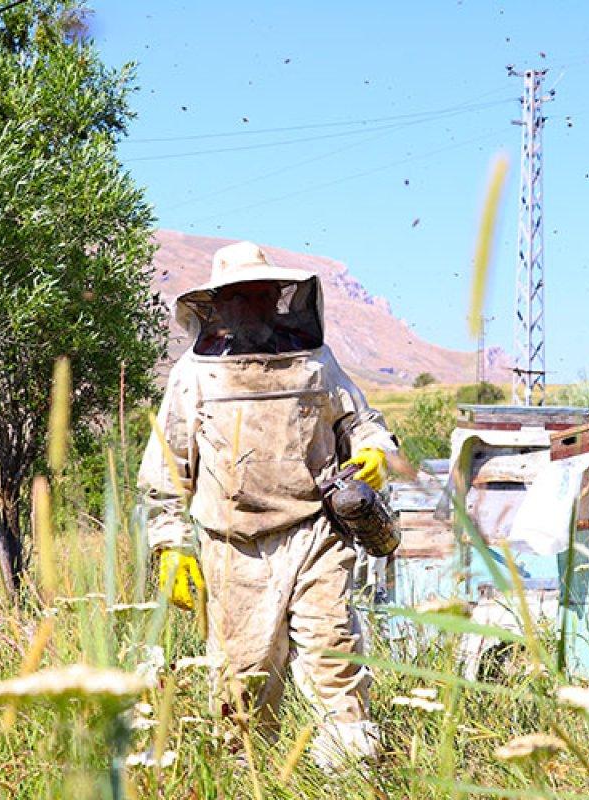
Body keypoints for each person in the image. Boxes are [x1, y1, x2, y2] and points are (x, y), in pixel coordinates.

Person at [138, 241, 397, 770]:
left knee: (334, 660)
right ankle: (247, 777)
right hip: (232, 551)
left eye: (262, 294)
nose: (253, 305)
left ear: (280, 297)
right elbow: (165, 474)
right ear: (219, 305)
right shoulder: (193, 376)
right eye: (240, 295)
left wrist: (372, 451)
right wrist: (169, 548)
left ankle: (351, 775)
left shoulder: (316, 363)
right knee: (242, 681)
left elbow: (362, 421)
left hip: (316, 537)